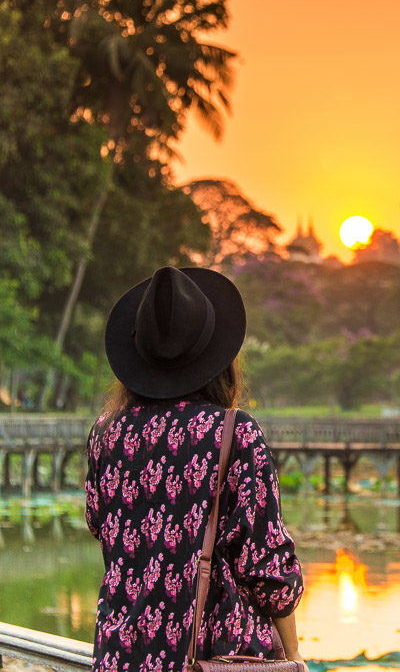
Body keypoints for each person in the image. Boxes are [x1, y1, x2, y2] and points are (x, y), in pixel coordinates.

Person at [85, 266, 305, 671]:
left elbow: (105, 531)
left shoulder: (107, 433)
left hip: (120, 658)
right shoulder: (232, 434)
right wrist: (292, 656)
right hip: (209, 658)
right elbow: (267, 567)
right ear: (217, 357)